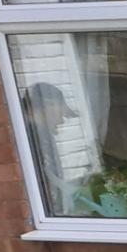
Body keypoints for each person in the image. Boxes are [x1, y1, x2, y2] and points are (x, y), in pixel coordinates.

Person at [19, 83, 81, 215]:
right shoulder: (32, 140)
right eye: (60, 114)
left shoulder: (41, 136)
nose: (61, 122)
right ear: (48, 107)